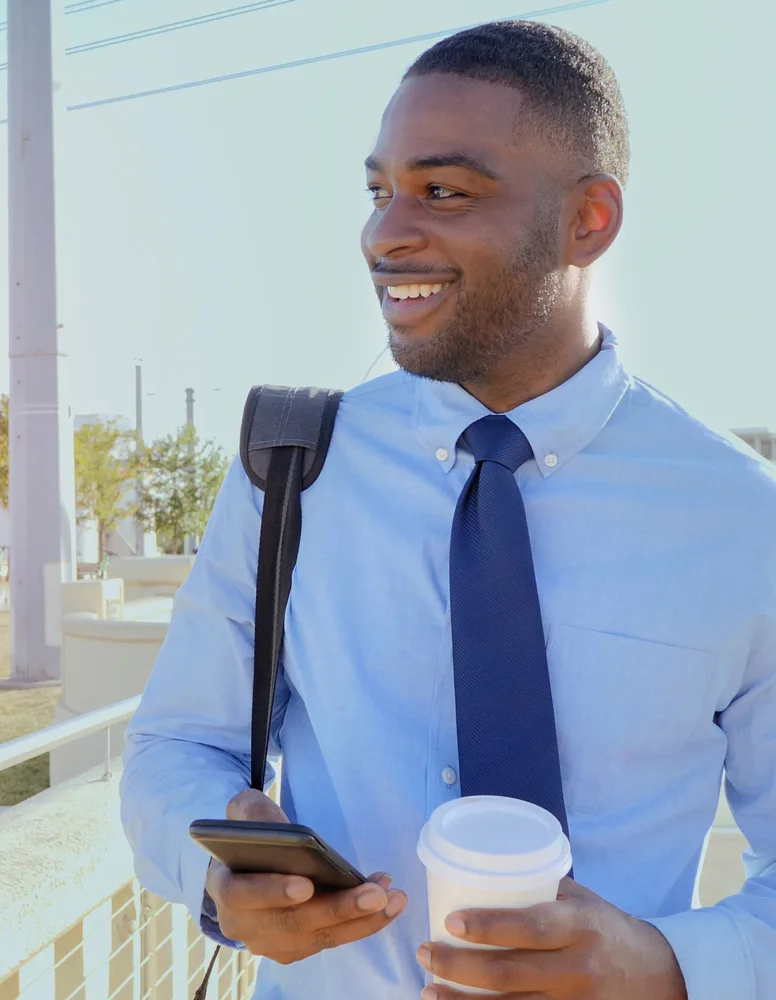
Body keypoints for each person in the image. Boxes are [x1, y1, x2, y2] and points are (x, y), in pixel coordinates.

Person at [121, 20, 776, 1000]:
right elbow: (177, 744)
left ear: (587, 220)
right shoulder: (291, 466)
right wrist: (217, 873)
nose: (383, 233)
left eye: (443, 191)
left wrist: (665, 966)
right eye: (379, 190)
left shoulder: (742, 522)